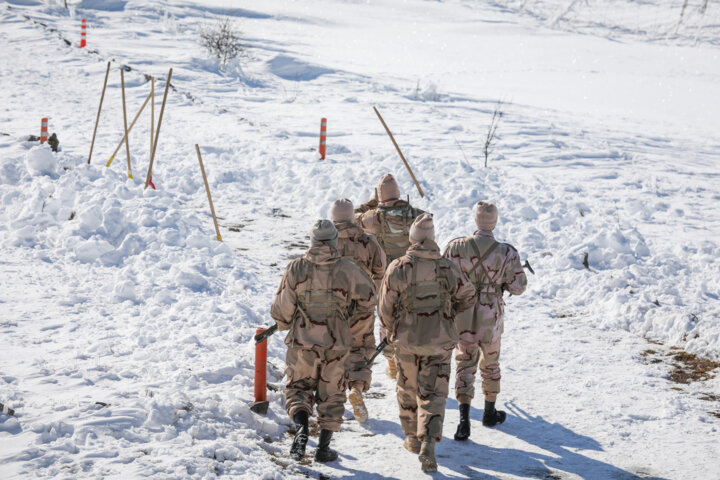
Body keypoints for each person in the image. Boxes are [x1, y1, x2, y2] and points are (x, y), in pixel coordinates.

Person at [270, 220, 376, 462]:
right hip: (336, 344)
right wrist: (351, 324)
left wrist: (286, 323)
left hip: (302, 343)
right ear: (334, 241)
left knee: (298, 389)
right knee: (333, 394)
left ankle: (302, 429)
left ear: (312, 241)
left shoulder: (296, 268)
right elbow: (369, 299)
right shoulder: (348, 269)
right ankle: (324, 449)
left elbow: (282, 309)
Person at [378, 213, 476, 473]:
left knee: (407, 388)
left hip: (407, 342)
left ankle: (411, 437)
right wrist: (450, 312)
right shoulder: (447, 267)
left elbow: (385, 307)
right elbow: (468, 295)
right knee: (434, 393)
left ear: (411, 239)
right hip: (440, 342)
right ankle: (429, 442)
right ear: (432, 239)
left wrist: (392, 330)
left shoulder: (398, 267)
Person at [443, 201, 527, 441]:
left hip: (463, 312)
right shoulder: (507, 252)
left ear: (475, 220)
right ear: (495, 222)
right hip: (491, 316)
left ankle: (463, 422)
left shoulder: (455, 246)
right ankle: (489, 413)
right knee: (490, 363)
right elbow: (519, 287)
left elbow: (443, 277)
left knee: (464, 363)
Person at [355, 173, 426, 380]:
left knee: (386, 320)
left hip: (385, 278)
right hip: (411, 275)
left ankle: (392, 362)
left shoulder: (373, 217)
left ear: (380, 196)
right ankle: (412, 359)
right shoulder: (414, 213)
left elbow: (352, 218)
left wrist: (371, 203)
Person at [330, 198, 386, 423]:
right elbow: (381, 271)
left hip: (331, 306)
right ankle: (357, 387)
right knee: (361, 348)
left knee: (332, 350)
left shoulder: (325, 242)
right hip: (362, 305)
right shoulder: (368, 241)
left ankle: (332, 394)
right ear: (353, 216)